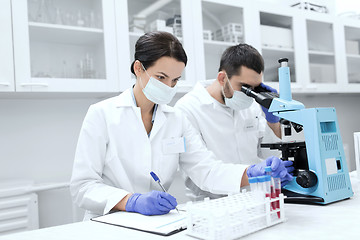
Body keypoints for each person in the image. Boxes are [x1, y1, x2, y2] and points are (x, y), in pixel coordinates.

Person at [70, 32, 292, 220]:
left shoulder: (176, 119)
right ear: (138, 68)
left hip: (156, 224)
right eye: (161, 77)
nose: (169, 86)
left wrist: (251, 172)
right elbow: (82, 187)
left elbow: (206, 170)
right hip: (109, 223)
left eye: (175, 80)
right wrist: (131, 201)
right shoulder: (102, 114)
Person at [175, 43, 294, 200]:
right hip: (213, 206)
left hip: (257, 200)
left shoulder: (252, 106)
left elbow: (270, 154)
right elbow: (204, 173)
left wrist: (273, 120)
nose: (249, 94)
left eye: (255, 88)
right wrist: (251, 172)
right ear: (222, 78)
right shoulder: (187, 110)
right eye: (244, 87)